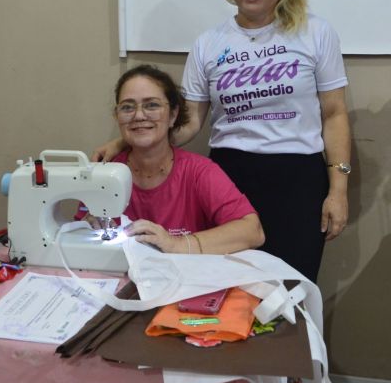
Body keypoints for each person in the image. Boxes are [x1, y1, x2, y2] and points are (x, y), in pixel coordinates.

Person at [95, 0, 351, 282]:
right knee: (225, 287)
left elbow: (335, 115)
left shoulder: (316, 33)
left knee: (289, 291)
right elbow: (188, 122)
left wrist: (338, 190)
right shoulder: (208, 44)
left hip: (298, 181)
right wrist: (126, 140)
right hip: (229, 178)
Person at [87, 64, 265, 255]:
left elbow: (253, 232)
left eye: (151, 105)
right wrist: (87, 224)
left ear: (173, 114)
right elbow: (81, 233)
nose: (138, 115)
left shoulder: (199, 172)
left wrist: (177, 244)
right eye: (127, 107)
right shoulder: (104, 173)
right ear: (117, 116)